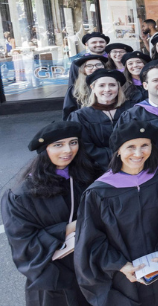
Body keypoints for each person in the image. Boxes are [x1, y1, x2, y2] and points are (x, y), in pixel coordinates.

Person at [74, 121, 158, 305]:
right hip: (127, 276)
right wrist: (120, 265)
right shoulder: (99, 193)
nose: (138, 153)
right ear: (118, 150)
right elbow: (91, 240)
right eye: (130, 147)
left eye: (145, 145)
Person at [2, 122, 101, 306]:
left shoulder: (88, 176)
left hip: (92, 270)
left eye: (73, 142)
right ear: (44, 149)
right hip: (54, 281)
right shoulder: (22, 195)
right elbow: (24, 246)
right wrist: (71, 228)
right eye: (58, 145)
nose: (68, 150)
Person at [115, 59, 158, 159]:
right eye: (156, 80)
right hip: (147, 170)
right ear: (145, 85)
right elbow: (119, 148)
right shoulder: (132, 115)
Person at [69, 69, 132, 168]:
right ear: (92, 88)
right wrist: (116, 158)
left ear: (119, 87)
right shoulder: (81, 116)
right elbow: (85, 147)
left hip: (133, 162)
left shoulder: (131, 110)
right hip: (97, 168)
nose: (107, 89)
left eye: (112, 85)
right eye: (101, 85)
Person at [63, 55, 108, 120]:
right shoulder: (75, 89)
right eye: (89, 66)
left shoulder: (112, 85)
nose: (95, 68)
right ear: (83, 70)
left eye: (98, 65)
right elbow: (69, 113)